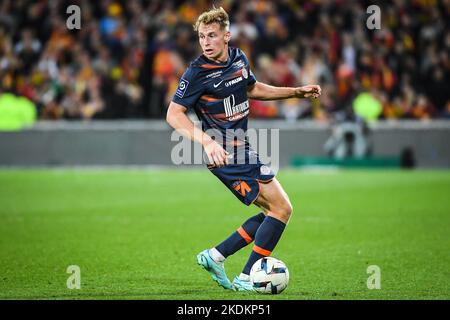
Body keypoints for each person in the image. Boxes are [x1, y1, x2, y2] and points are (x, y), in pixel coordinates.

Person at [166, 7, 321, 292]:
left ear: (226, 36)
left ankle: (216, 256)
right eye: (202, 37)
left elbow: (253, 88)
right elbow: (174, 114)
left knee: (271, 213)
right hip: (225, 154)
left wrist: (295, 91)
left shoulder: (238, 59)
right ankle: (248, 277)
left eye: (212, 35)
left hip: (243, 149)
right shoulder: (197, 72)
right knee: (282, 208)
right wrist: (207, 142)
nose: (206, 42)